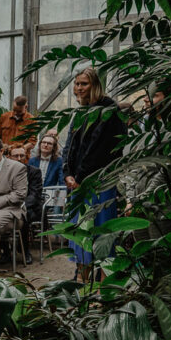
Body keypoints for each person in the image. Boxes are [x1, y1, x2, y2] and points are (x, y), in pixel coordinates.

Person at [63, 67, 127, 282]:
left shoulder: (109, 110)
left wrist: (81, 177)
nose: (79, 88)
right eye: (77, 84)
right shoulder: (81, 111)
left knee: (101, 234)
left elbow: (102, 149)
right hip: (77, 185)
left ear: (96, 85)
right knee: (80, 236)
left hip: (99, 184)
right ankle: (83, 285)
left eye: (84, 84)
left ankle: (103, 288)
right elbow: (70, 147)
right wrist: (68, 174)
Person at [8, 145, 41, 266]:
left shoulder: (34, 172)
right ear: (10, 157)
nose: (19, 158)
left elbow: (35, 194)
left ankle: (25, 251)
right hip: (9, 205)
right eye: (15, 156)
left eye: (22, 155)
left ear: (26, 157)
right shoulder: (6, 172)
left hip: (30, 207)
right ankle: (6, 252)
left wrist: (21, 205)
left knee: (23, 216)